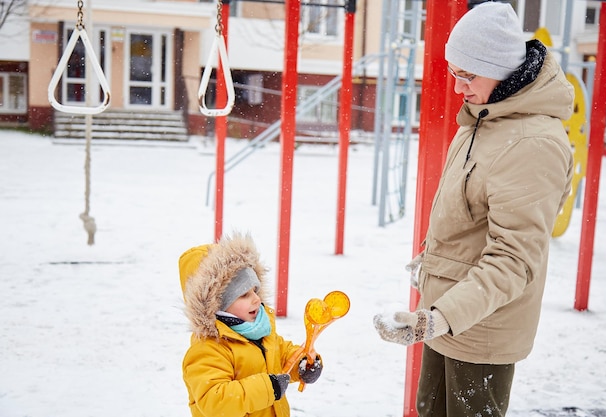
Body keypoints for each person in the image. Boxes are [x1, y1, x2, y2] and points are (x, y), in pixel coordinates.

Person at [373, 2, 574, 416]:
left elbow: (514, 259)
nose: (457, 86)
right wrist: (432, 264)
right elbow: (466, 216)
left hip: (483, 332)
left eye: (468, 74)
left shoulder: (532, 143)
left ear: (501, 69)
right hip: (450, 316)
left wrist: (441, 316)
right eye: (454, 72)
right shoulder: (484, 119)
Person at [179, 232, 323, 417]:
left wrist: (302, 365)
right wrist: (267, 388)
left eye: (255, 290)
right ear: (217, 305)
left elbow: (281, 354)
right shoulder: (208, 349)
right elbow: (215, 401)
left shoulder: (258, 331)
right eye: (244, 295)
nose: (256, 299)